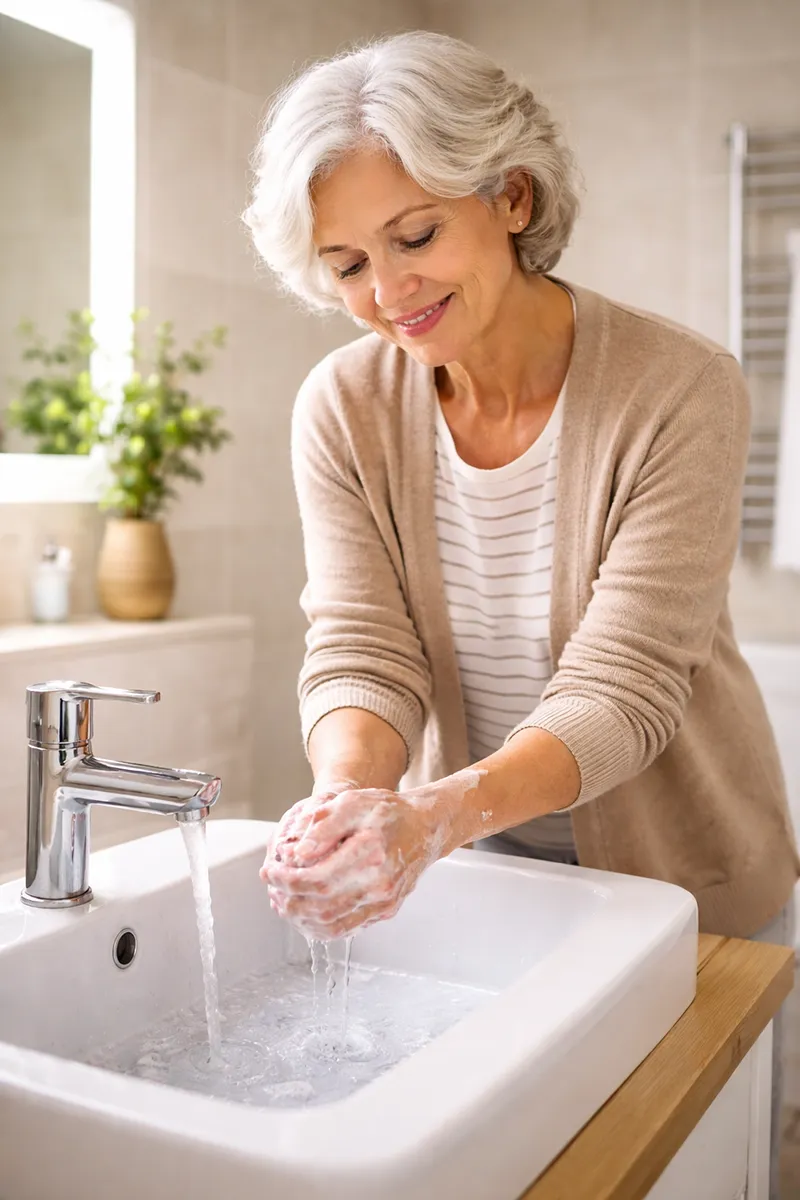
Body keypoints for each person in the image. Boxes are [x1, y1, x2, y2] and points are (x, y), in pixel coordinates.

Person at [244, 31, 798, 1194]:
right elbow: (359, 642)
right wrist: (356, 793)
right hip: (492, 883)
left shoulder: (678, 389)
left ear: (510, 194)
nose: (386, 294)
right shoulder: (341, 404)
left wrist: (436, 813)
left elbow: (623, 688)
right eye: (345, 263)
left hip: (687, 890)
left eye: (414, 235)